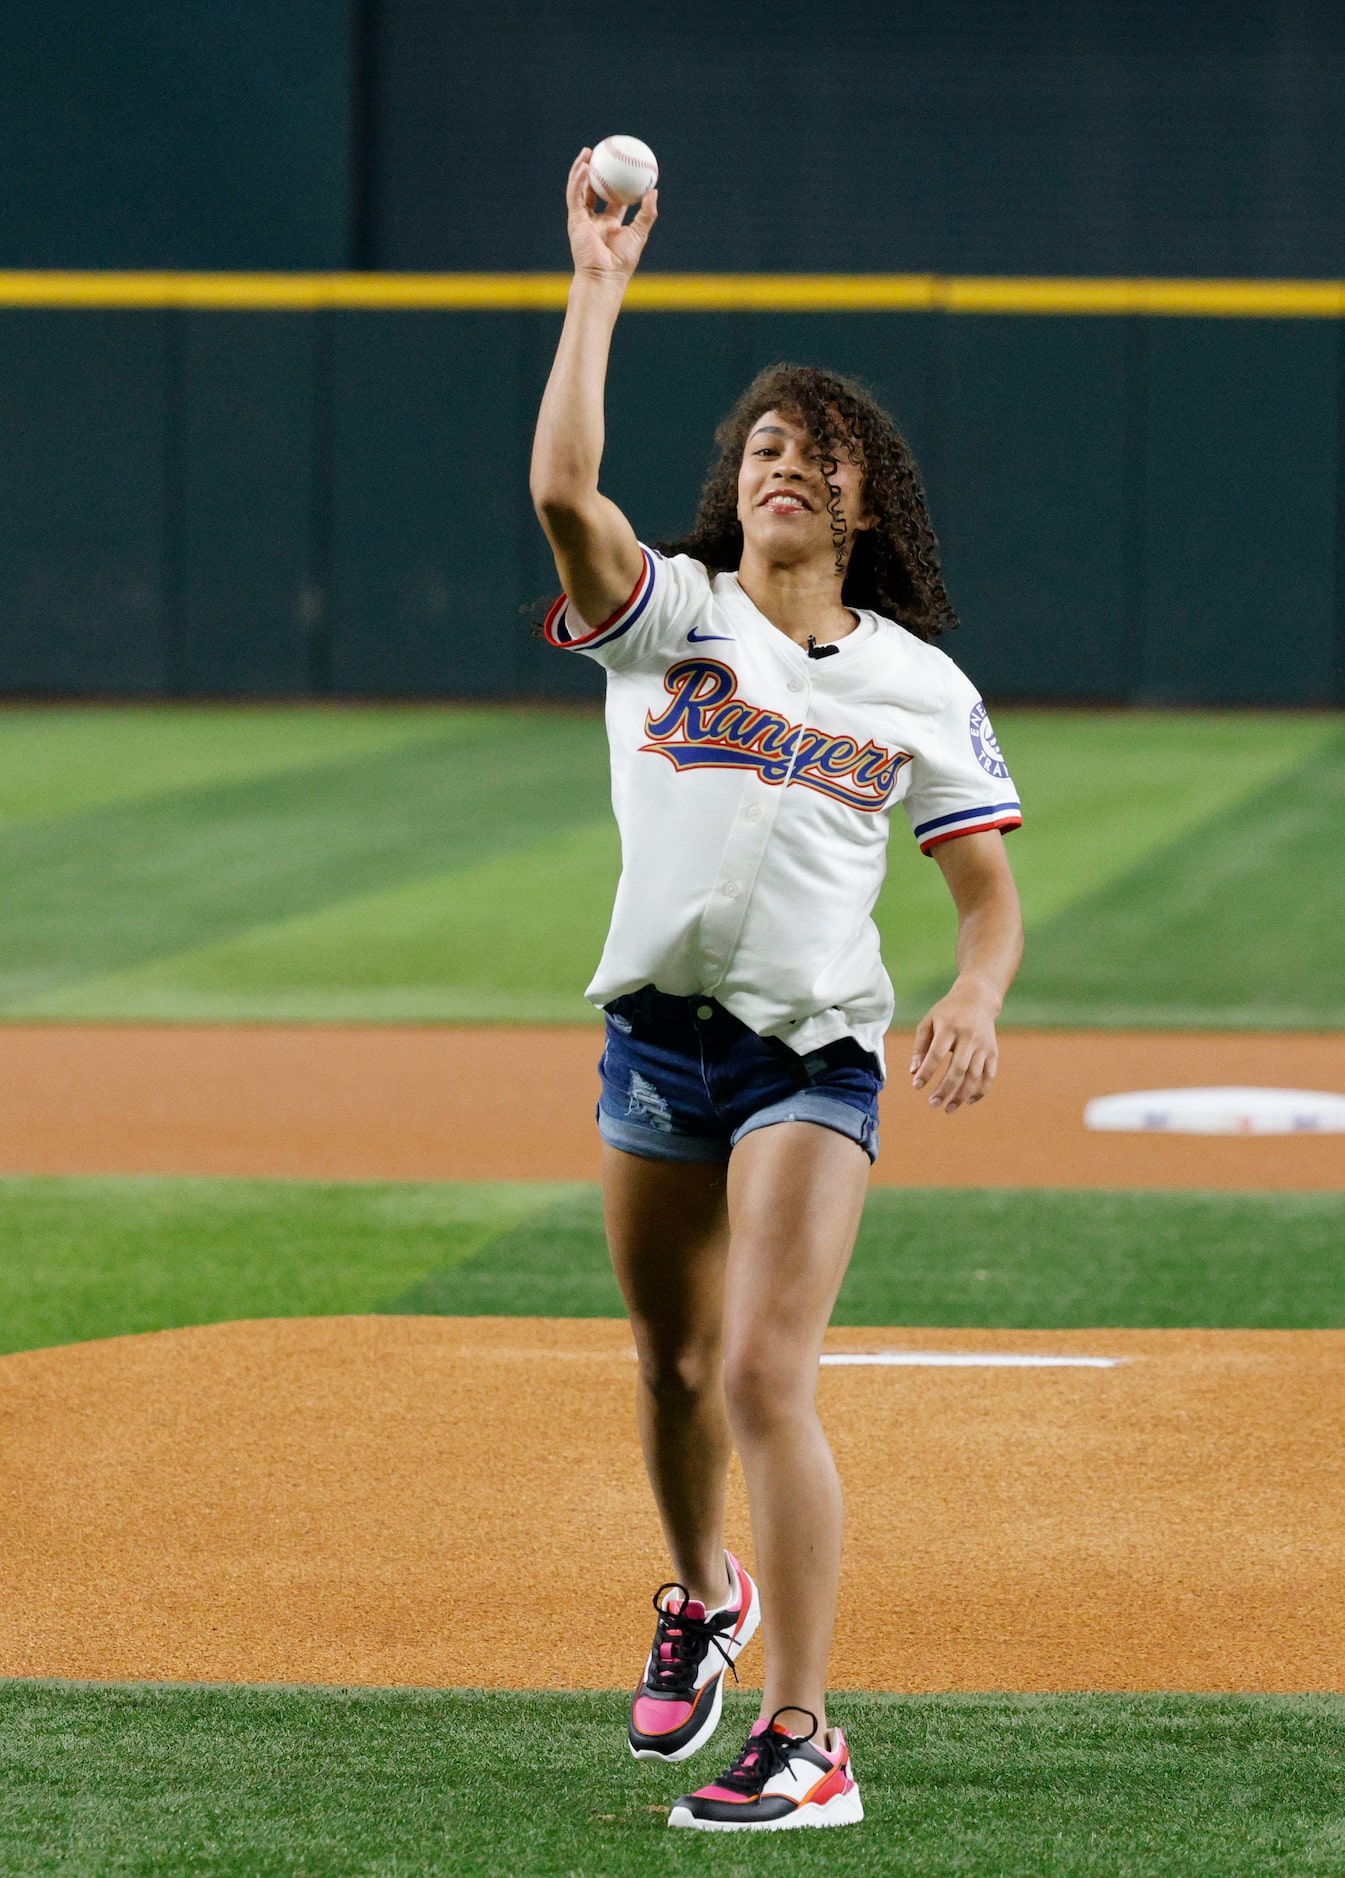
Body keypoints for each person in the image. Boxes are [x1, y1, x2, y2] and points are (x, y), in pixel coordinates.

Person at [530, 150, 1024, 1834]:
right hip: (655, 1050)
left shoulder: (918, 686)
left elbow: (987, 894)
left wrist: (972, 988)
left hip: (813, 1053)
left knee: (759, 1372)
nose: (786, 467)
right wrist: (598, 285)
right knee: (668, 1367)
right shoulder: (665, 620)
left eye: (819, 456)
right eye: (763, 447)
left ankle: (808, 1731)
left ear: (865, 503)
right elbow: (559, 491)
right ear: (731, 491)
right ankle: (702, 1597)